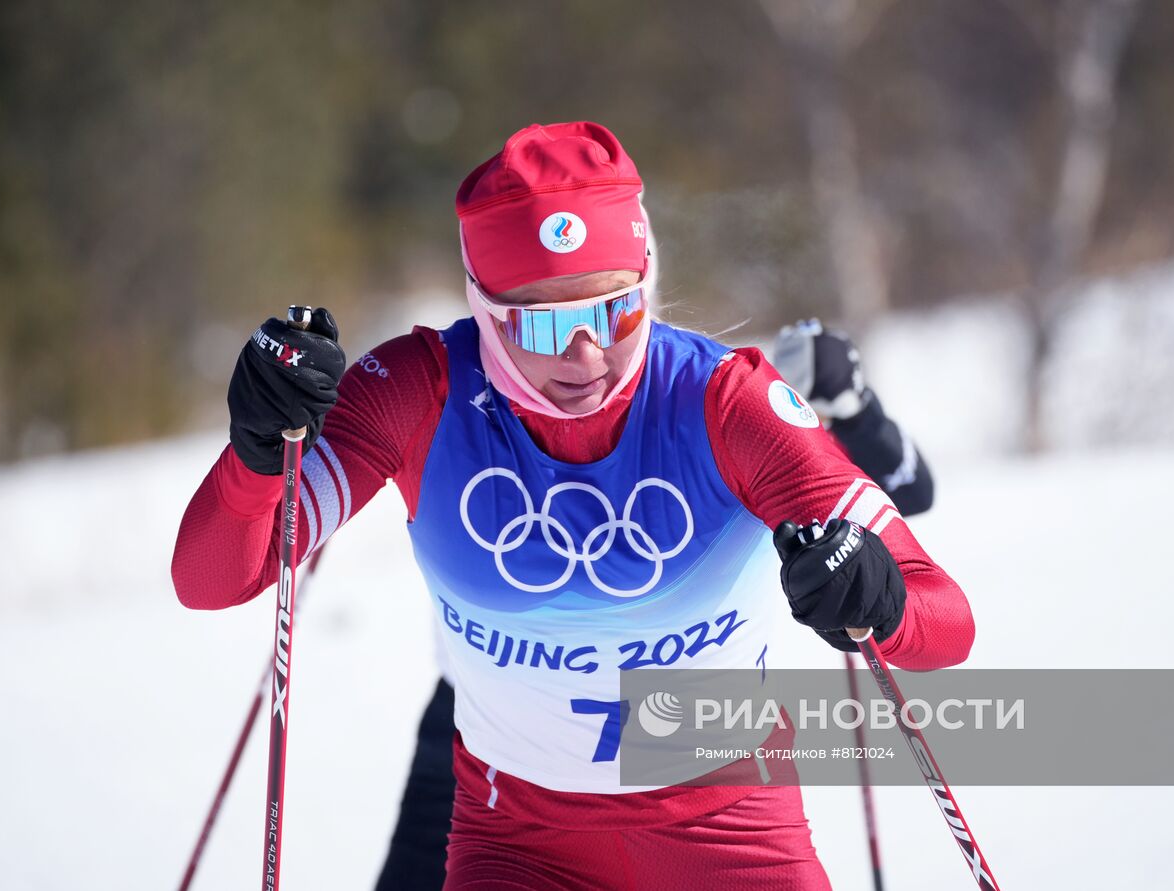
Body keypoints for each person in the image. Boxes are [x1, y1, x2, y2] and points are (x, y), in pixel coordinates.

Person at [172, 121, 975, 890]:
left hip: (730, 832)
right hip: (517, 843)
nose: (585, 353)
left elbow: (947, 622)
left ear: (647, 279)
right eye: (541, 325)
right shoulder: (422, 389)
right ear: (482, 306)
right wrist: (254, 455)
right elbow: (211, 577)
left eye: (614, 310)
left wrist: (880, 592)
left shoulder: (727, 402)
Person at [378, 318, 938, 890]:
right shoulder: (479, 362)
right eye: (549, 316)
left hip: (659, 711)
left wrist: (851, 405)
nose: (582, 351)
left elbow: (907, 491)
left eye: (609, 312)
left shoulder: (711, 391)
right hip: (492, 726)